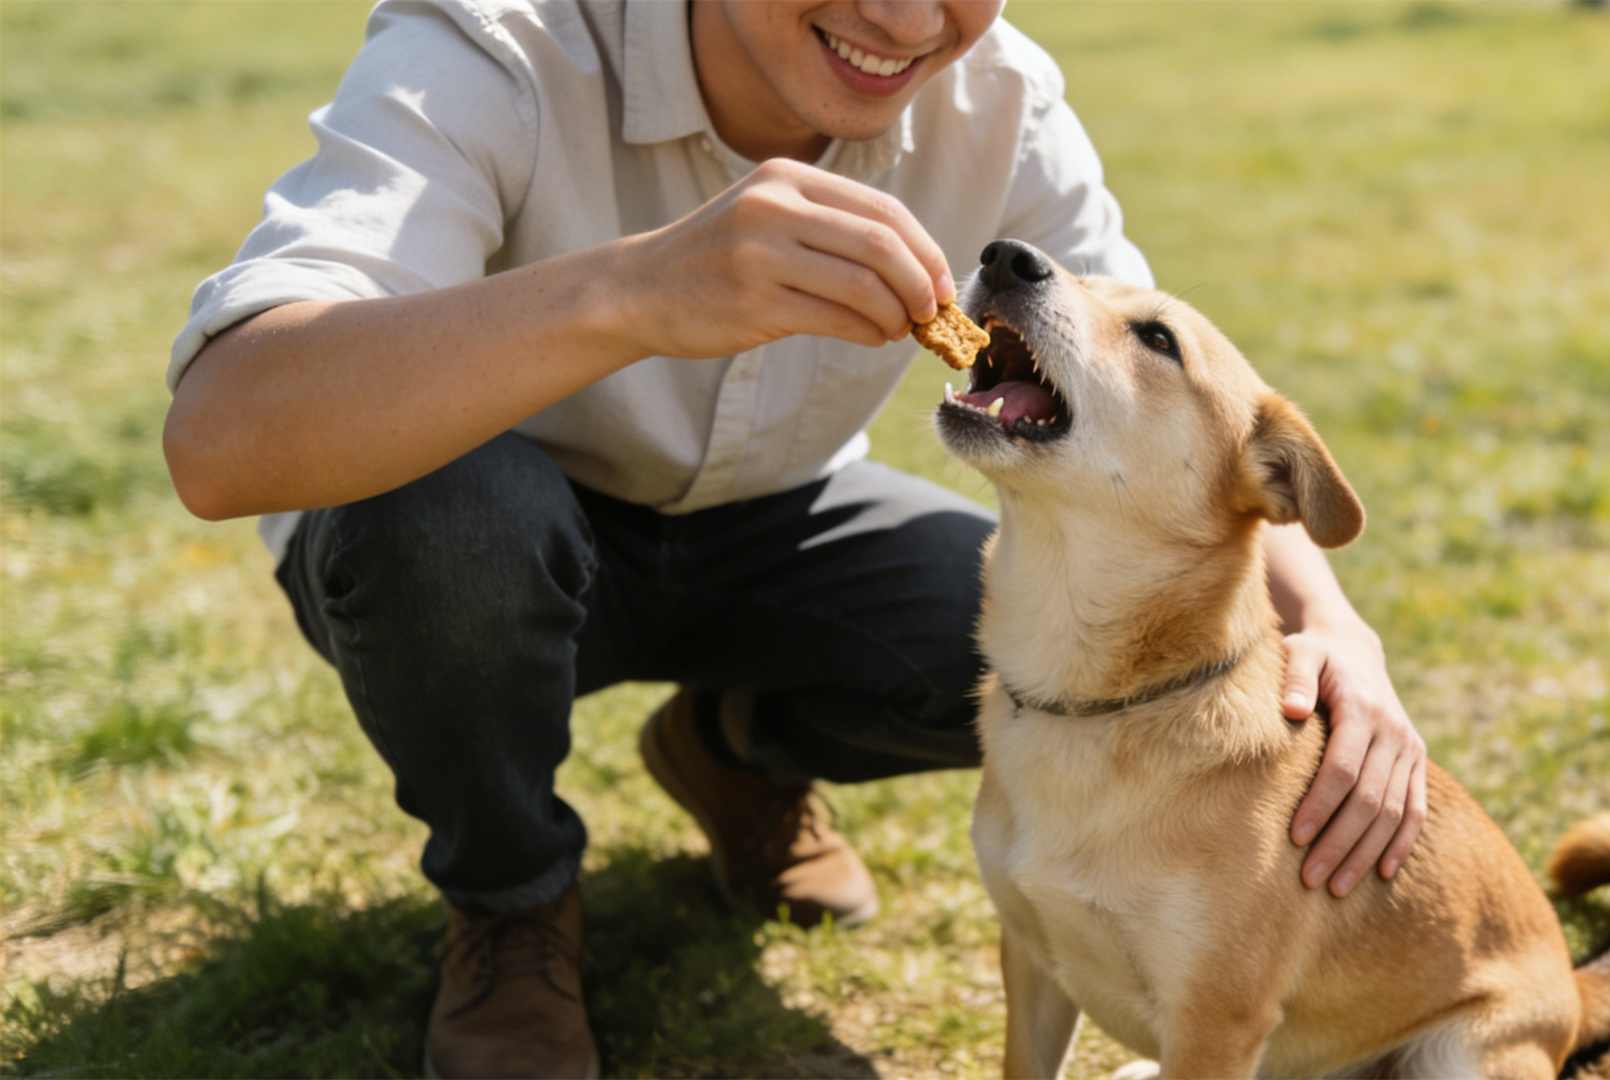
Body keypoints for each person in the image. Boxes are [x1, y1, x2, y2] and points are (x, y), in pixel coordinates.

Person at [162, 2, 1428, 1076]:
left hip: (775, 524)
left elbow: (1172, 422)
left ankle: (731, 749)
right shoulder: (495, 43)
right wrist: (630, 292)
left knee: (1044, 657)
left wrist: (1331, 626)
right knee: (446, 518)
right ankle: (510, 900)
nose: (908, 18)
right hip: (482, 530)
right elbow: (218, 440)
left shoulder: (999, 98)